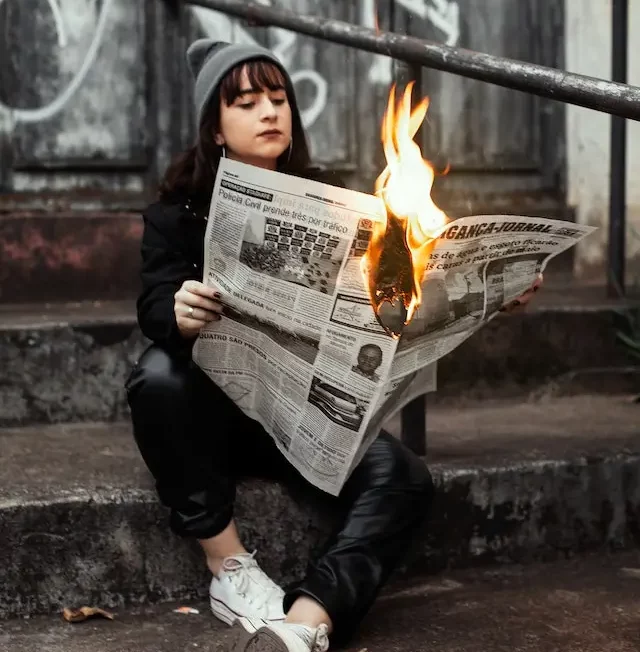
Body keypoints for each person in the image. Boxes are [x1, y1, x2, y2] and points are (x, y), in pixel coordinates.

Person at [125, 39, 541, 652]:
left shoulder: (332, 196)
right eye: (245, 102)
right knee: (156, 377)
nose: (269, 111)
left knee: (403, 478)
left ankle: (306, 625)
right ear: (214, 128)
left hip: (308, 417)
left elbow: (397, 296)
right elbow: (154, 303)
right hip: (214, 417)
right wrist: (179, 311)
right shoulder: (175, 215)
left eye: (278, 98)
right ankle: (229, 568)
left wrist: (486, 291)